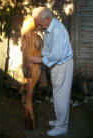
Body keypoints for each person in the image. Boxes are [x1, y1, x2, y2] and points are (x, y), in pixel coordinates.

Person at [31, 7, 73, 136]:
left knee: (61, 96)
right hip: (57, 65)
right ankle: (60, 120)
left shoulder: (57, 30)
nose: (38, 26)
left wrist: (37, 59)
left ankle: (62, 126)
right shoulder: (49, 28)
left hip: (63, 65)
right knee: (57, 93)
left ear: (48, 19)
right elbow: (48, 49)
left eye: (39, 23)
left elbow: (56, 55)